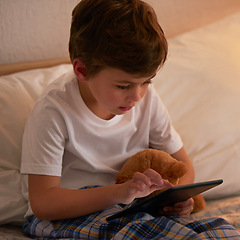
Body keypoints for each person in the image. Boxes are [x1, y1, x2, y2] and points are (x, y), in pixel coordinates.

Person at [20, 0, 240, 239]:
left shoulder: (146, 99)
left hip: (134, 207)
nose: (137, 96)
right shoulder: (53, 112)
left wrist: (176, 197)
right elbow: (44, 203)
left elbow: (182, 165)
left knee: (220, 232)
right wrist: (118, 193)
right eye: (123, 85)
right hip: (69, 214)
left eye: (147, 81)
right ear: (82, 71)